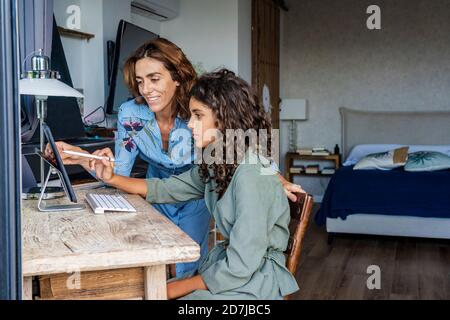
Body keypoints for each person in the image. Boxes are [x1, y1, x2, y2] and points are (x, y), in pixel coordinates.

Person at [49, 38, 303, 280]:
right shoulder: (131, 114)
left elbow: (242, 145)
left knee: (187, 263)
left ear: (178, 78)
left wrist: (275, 179)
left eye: (154, 78)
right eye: (140, 81)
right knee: (148, 260)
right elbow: (119, 173)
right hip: (154, 190)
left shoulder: (199, 111)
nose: (146, 89)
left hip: (196, 191)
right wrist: (80, 156)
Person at [85, 69, 301, 300]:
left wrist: (172, 290)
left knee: (155, 293)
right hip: (231, 270)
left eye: (198, 115)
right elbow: (167, 188)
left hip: (254, 281)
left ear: (224, 118)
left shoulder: (252, 174)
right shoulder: (219, 162)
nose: (189, 125)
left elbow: (242, 265)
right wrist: (111, 178)